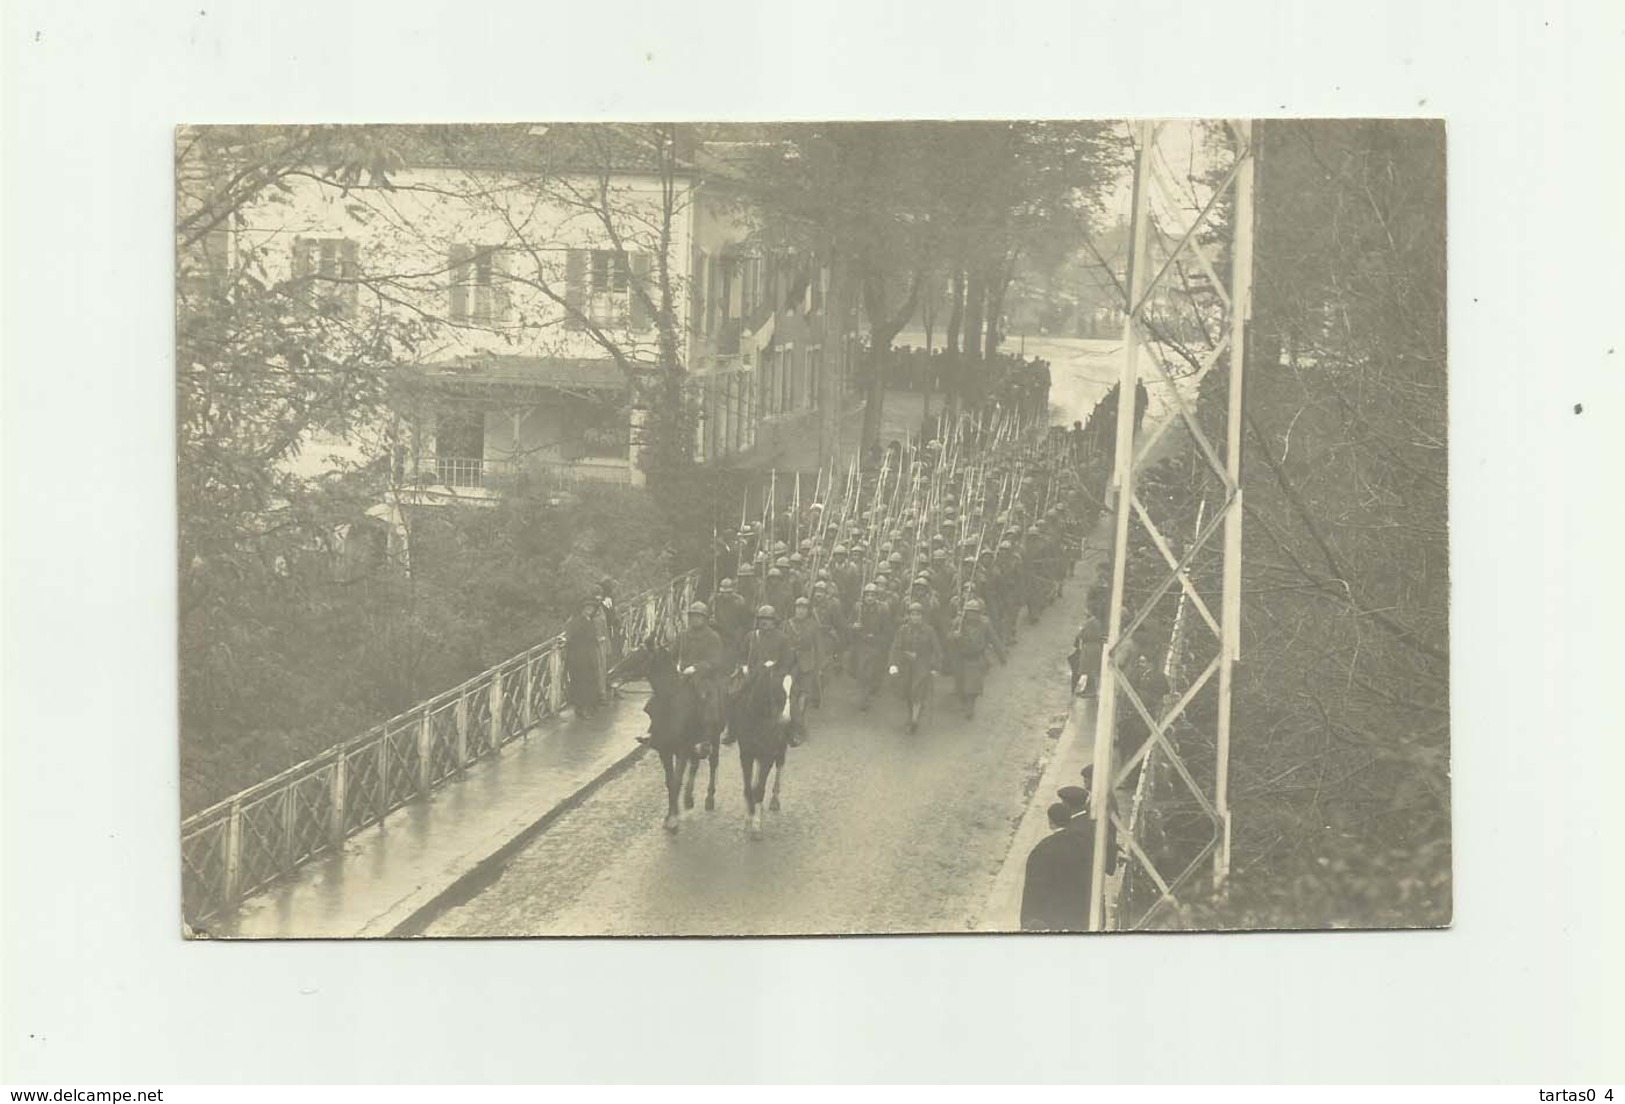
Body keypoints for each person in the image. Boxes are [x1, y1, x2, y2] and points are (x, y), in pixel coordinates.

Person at [888, 601, 943, 734]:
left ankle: (914, 720)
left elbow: (937, 651)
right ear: (909, 616)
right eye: (912, 614)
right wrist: (893, 664)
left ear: (922, 616)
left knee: (917, 692)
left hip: (922, 666)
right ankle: (911, 713)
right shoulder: (903, 630)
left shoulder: (929, 631)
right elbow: (895, 648)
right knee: (908, 693)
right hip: (906, 666)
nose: (915, 617)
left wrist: (935, 667)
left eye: (918, 614)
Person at [950, 597, 1006, 719]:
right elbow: (948, 638)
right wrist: (954, 636)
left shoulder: (985, 624)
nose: (972, 615)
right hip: (961, 658)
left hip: (976, 658)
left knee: (973, 686)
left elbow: (994, 639)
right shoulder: (958, 623)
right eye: (970, 612)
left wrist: (1001, 656)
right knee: (960, 686)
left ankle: (971, 706)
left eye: (975, 612)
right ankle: (965, 702)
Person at [784, 596, 824, 747]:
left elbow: (819, 647)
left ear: (808, 611)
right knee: (790, 695)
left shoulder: (813, 626)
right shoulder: (786, 624)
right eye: (798, 607)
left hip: (807, 664)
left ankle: (797, 729)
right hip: (789, 664)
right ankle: (795, 726)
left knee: (803, 696)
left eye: (804, 608)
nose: (800, 611)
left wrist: (819, 667)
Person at [849, 582, 893, 711]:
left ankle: (865, 697)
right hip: (861, 644)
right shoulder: (858, 608)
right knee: (861, 671)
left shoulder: (883, 609)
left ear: (877, 596)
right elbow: (849, 623)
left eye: (872, 595)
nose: (869, 598)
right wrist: (854, 626)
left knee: (871, 671)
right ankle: (863, 693)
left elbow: (887, 629)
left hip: (876, 644)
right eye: (867, 595)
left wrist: (879, 640)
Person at [563, 596, 605, 718]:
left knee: (590, 680)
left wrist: (596, 640)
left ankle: (589, 706)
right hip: (580, 657)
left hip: (589, 655)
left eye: (591, 608)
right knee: (581, 682)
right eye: (587, 608)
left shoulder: (589, 620)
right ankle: (581, 708)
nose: (590, 610)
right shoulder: (578, 621)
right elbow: (573, 638)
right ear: (583, 609)